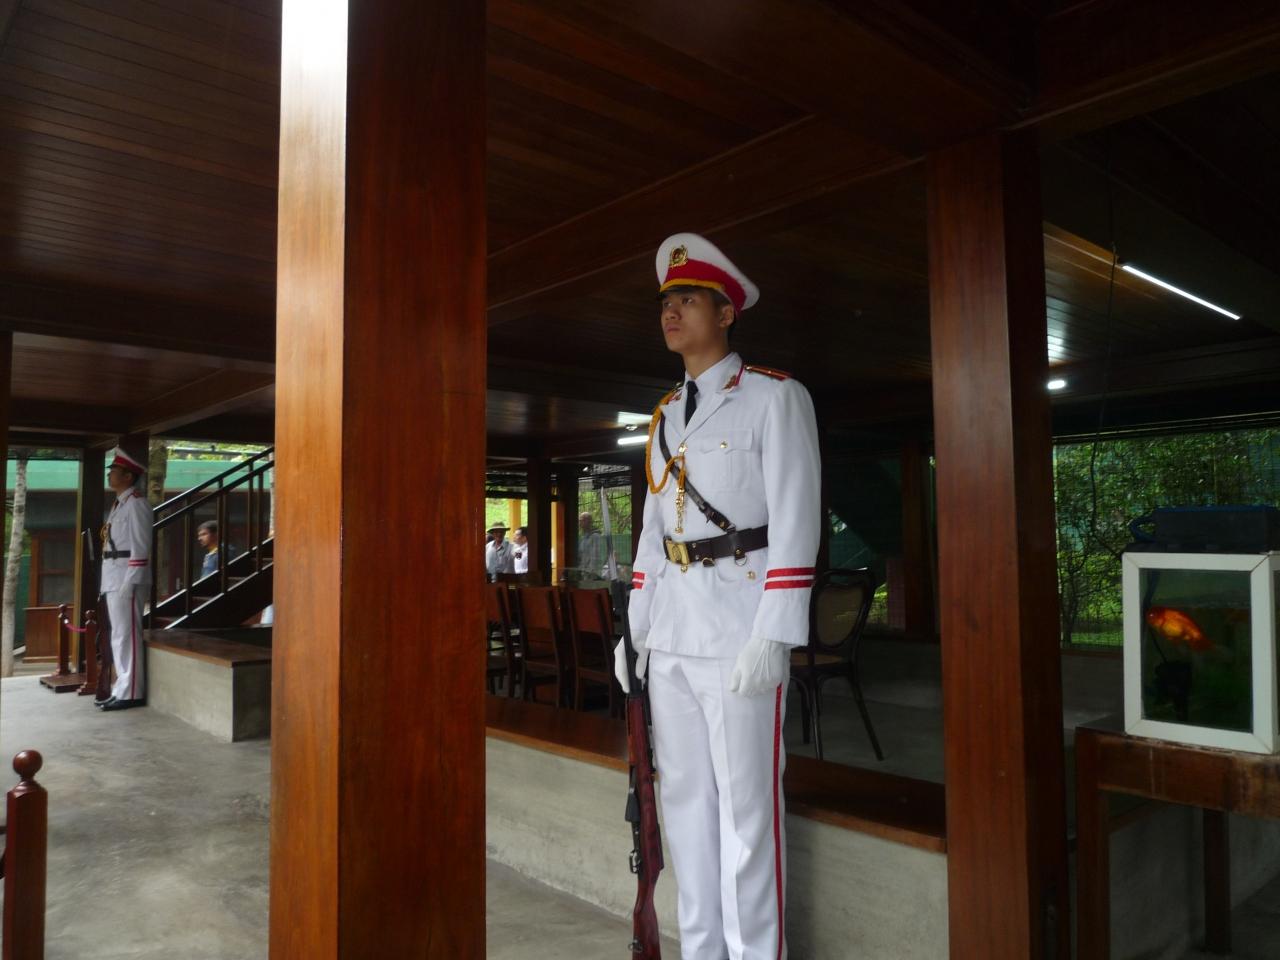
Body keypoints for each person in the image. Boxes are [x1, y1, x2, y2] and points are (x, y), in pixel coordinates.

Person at [614, 232, 821, 960]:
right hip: (672, 635)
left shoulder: (773, 396)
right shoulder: (666, 412)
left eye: (688, 299)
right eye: (666, 302)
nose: (671, 312)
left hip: (739, 632)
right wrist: (636, 630)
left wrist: (776, 632)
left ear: (727, 313)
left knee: (747, 818)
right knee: (684, 811)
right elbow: (654, 534)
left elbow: (796, 520)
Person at [98, 447, 155, 712]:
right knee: (119, 635)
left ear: (128, 476)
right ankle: (122, 687)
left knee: (127, 635)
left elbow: (141, 546)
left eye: (114, 471)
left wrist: (131, 581)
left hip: (127, 577)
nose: (109, 474)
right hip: (114, 575)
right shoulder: (119, 504)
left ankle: (132, 692)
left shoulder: (137, 504)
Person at [576, 511, 608, 577]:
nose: (580, 523)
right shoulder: (584, 537)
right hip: (583, 572)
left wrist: (590, 573)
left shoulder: (595, 536)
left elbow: (595, 557)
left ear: (588, 521)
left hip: (591, 575)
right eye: (579, 521)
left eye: (582, 520)